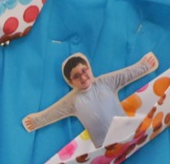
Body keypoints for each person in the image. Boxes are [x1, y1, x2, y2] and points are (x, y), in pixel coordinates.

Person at [20, 51, 161, 145]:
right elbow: (55, 112)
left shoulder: (105, 82)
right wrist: (37, 121)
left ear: (89, 68)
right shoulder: (73, 100)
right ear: (70, 82)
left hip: (128, 131)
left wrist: (145, 66)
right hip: (104, 146)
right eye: (76, 76)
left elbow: (126, 75)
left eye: (84, 71)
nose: (83, 77)